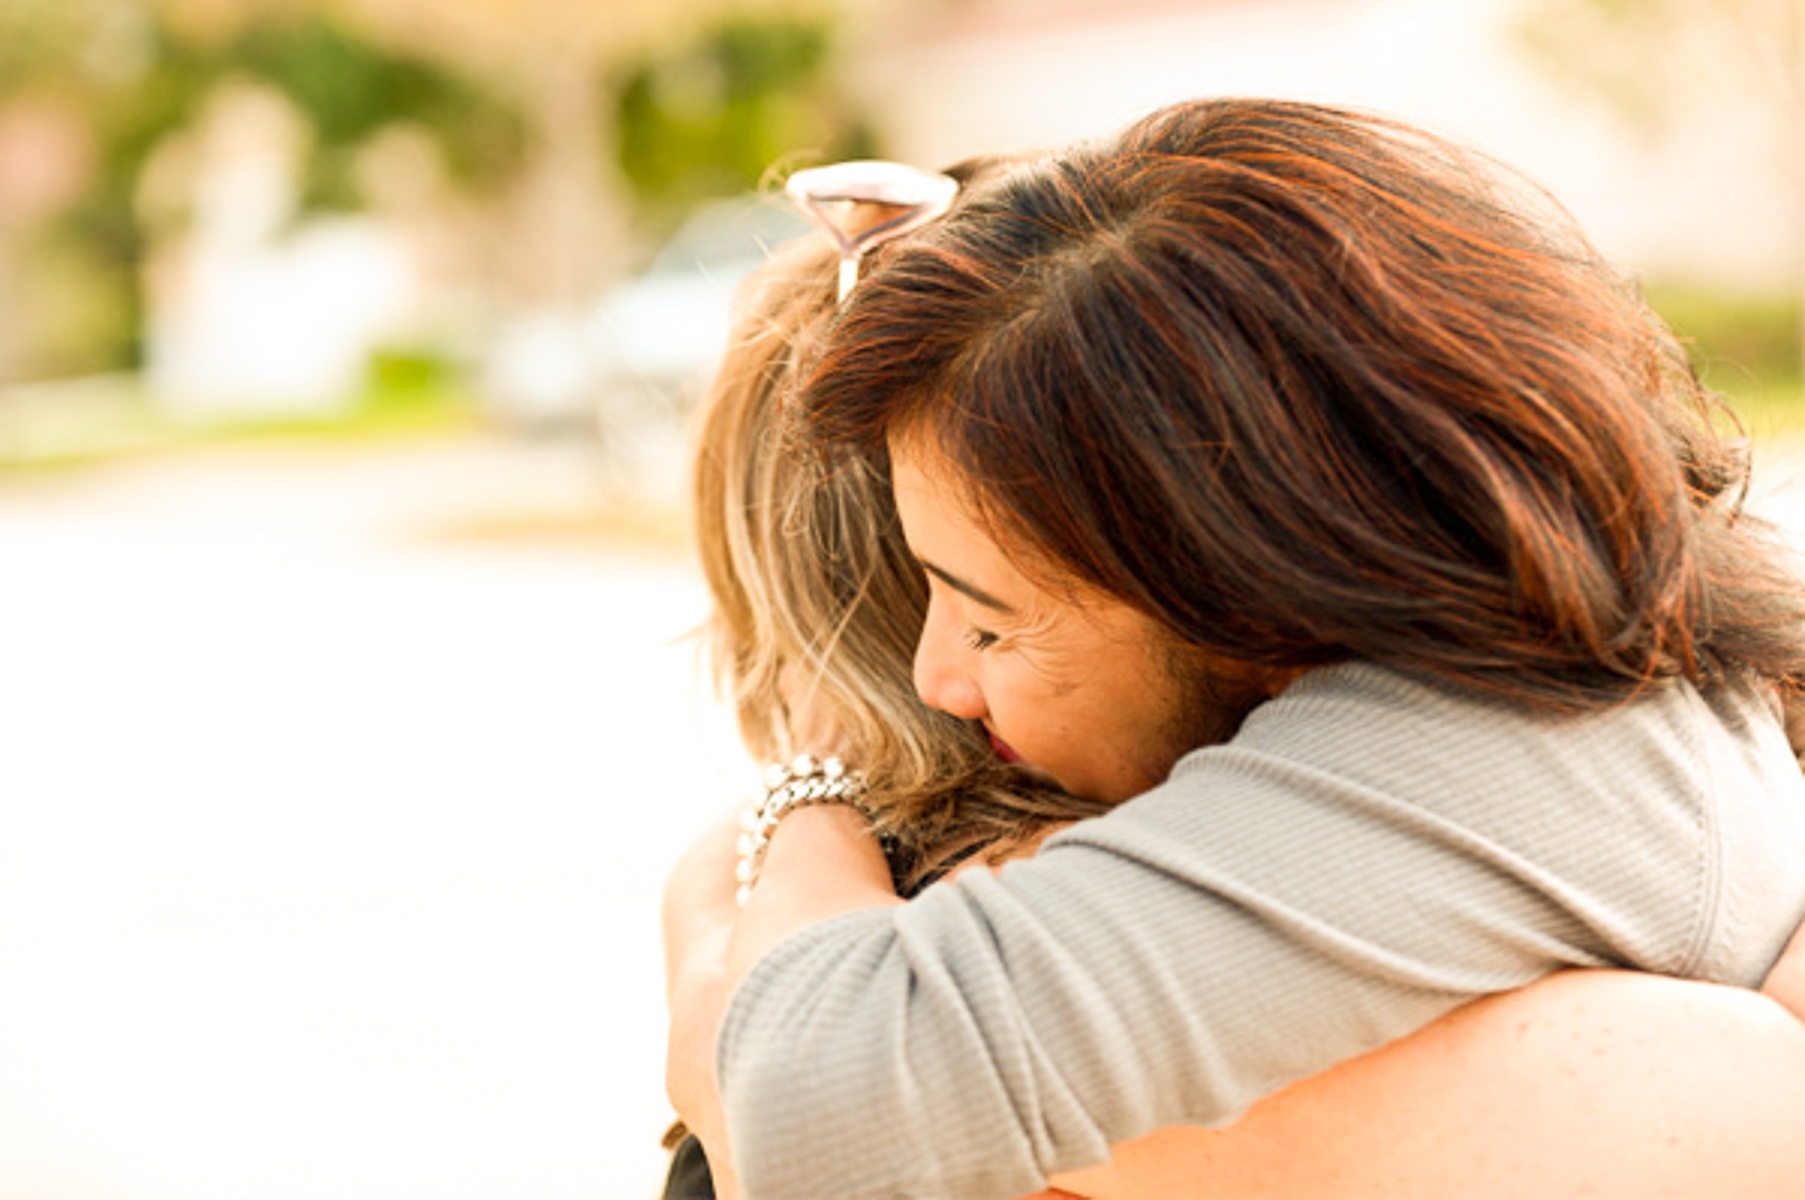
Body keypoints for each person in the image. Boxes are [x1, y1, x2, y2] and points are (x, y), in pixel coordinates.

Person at [664, 98, 1805, 1199]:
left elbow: (809, 1102)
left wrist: (808, 800)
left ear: (1256, 602)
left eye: (988, 615)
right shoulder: (1619, 696)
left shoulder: (1480, 761)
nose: (936, 678)